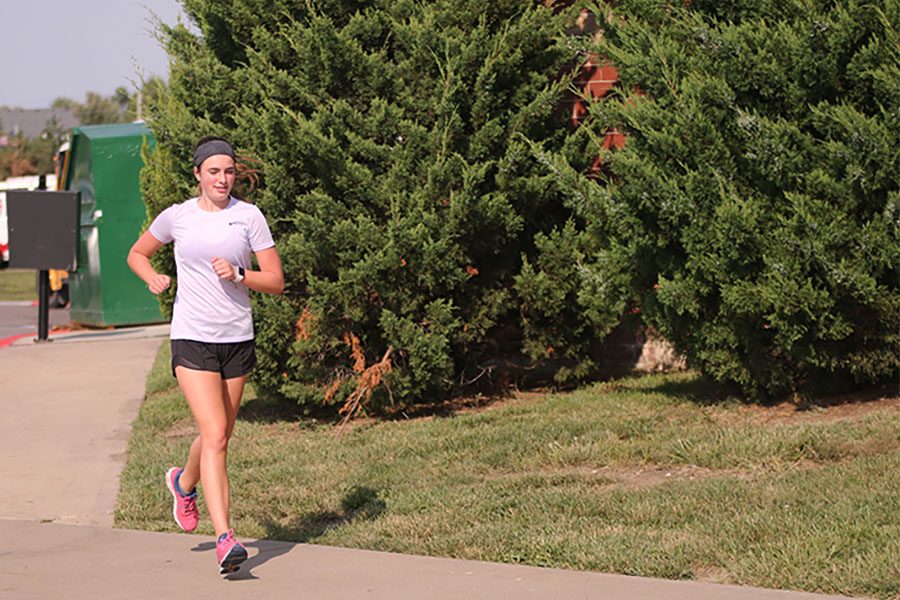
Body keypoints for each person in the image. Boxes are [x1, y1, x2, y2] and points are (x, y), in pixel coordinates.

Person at [127, 136, 284, 575]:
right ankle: (225, 539)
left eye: (229, 171)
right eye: (213, 171)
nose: (222, 178)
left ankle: (182, 482)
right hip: (192, 337)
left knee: (220, 433)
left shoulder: (248, 217)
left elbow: (275, 280)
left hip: (236, 339)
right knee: (214, 433)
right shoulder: (177, 217)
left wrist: (240, 274)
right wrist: (152, 276)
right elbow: (137, 253)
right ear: (197, 174)